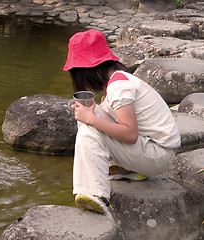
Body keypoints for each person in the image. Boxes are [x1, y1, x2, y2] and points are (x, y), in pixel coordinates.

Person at [63, 29, 181, 218]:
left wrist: (91, 119)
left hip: (159, 154)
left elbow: (130, 134)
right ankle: (130, 168)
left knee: (88, 126)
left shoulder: (119, 87)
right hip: (153, 149)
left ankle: (97, 194)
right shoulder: (118, 80)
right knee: (88, 114)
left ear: (86, 70)